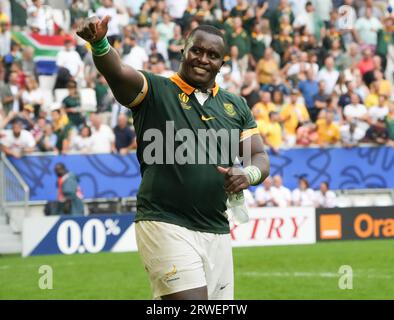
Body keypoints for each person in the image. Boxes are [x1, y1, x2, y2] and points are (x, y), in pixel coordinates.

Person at [76, 18, 269, 300]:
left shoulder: (236, 105)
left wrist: (248, 175)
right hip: (165, 221)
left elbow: (258, 156)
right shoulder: (155, 90)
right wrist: (99, 43)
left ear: (222, 63)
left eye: (213, 55)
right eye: (196, 51)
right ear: (183, 51)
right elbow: (117, 73)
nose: (203, 59)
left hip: (216, 227)